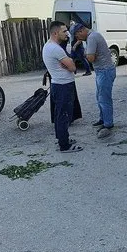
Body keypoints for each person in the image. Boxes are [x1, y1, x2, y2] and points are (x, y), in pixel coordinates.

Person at [42, 21, 83, 153]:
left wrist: (68, 62)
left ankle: (62, 138)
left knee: (60, 114)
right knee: (63, 115)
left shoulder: (50, 46)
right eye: (64, 31)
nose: (67, 34)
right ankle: (64, 145)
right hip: (63, 86)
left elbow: (69, 64)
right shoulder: (55, 49)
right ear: (55, 33)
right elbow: (73, 67)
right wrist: (70, 63)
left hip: (58, 84)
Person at [71, 23, 116, 138]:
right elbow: (92, 56)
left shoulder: (91, 38)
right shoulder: (93, 36)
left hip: (104, 71)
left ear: (81, 31)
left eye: (77, 35)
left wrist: (86, 54)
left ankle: (108, 124)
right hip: (103, 70)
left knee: (104, 98)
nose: (77, 38)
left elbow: (91, 58)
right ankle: (103, 119)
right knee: (99, 96)